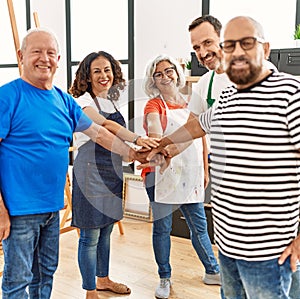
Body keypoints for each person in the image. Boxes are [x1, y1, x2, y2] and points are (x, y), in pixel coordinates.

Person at [144, 16, 300, 299]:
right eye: (230, 45)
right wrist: (163, 147)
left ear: (265, 50)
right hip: (227, 245)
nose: (237, 52)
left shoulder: (290, 93)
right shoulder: (227, 95)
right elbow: (196, 125)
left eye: (247, 44)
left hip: (269, 252)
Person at [0, 28, 155, 299]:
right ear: (21, 56)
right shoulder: (7, 97)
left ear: (59, 59)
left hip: (52, 207)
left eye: (50, 53)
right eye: (36, 51)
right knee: (17, 280)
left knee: (46, 273)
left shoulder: (63, 100)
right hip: (18, 210)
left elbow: (100, 133)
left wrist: (132, 155)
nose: (44, 58)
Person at [68, 51, 159, 299]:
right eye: (96, 71)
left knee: (106, 228)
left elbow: (115, 132)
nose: (103, 75)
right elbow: (105, 126)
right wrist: (138, 141)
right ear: (87, 75)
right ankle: (90, 291)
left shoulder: (109, 101)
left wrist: (136, 149)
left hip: (112, 169)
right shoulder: (82, 101)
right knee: (90, 234)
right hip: (89, 172)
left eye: (107, 70)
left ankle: (103, 279)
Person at [142, 54, 221, 299]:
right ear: (153, 80)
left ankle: (212, 270)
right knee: (162, 228)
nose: (165, 76)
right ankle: (164, 277)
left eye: (169, 71)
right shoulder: (153, 106)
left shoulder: (191, 102)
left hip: (190, 175)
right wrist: (160, 151)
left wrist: (205, 170)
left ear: (177, 73)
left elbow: (201, 136)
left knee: (199, 226)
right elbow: (155, 131)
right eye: (158, 74)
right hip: (160, 175)